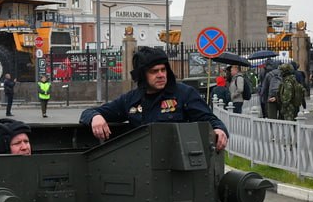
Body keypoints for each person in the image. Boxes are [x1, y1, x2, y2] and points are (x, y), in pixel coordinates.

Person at [80, 46, 228, 152]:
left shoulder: (184, 94)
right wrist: (96, 117)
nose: (161, 75)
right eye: (154, 71)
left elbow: (210, 119)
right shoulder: (131, 100)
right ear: (142, 75)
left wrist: (219, 129)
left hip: (176, 164)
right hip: (142, 165)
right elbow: (88, 113)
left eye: (163, 70)